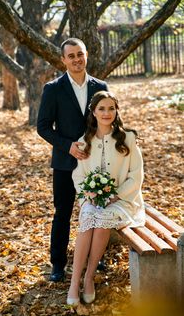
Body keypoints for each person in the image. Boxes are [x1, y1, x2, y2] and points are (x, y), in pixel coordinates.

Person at [37, 38, 108, 282]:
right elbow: (43, 127)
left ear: (86, 55)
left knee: (97, 210)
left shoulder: (100, 87)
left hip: (95, 161)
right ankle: (57, 263)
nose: (77, 59)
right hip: (65, 162)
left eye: (80, 54)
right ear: (63, 60)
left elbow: (108, 121)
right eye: (71, 55)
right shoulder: (53, 88)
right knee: (63, 212)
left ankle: (95, 258)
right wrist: (68, 146)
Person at [67, 90, 145, 305]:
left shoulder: (127, 138)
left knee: (101, 222)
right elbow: (79, 176)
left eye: (111, 108)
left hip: (123, 201)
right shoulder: (84, 141)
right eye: (101, 108)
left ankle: (89, 277)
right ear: (93, 112)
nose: (106, 112)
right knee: (89, 218)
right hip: (92, 199)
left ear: (116, 111)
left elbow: (136, 176)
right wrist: (87, 197)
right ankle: (74, 282)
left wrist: (115, 196)